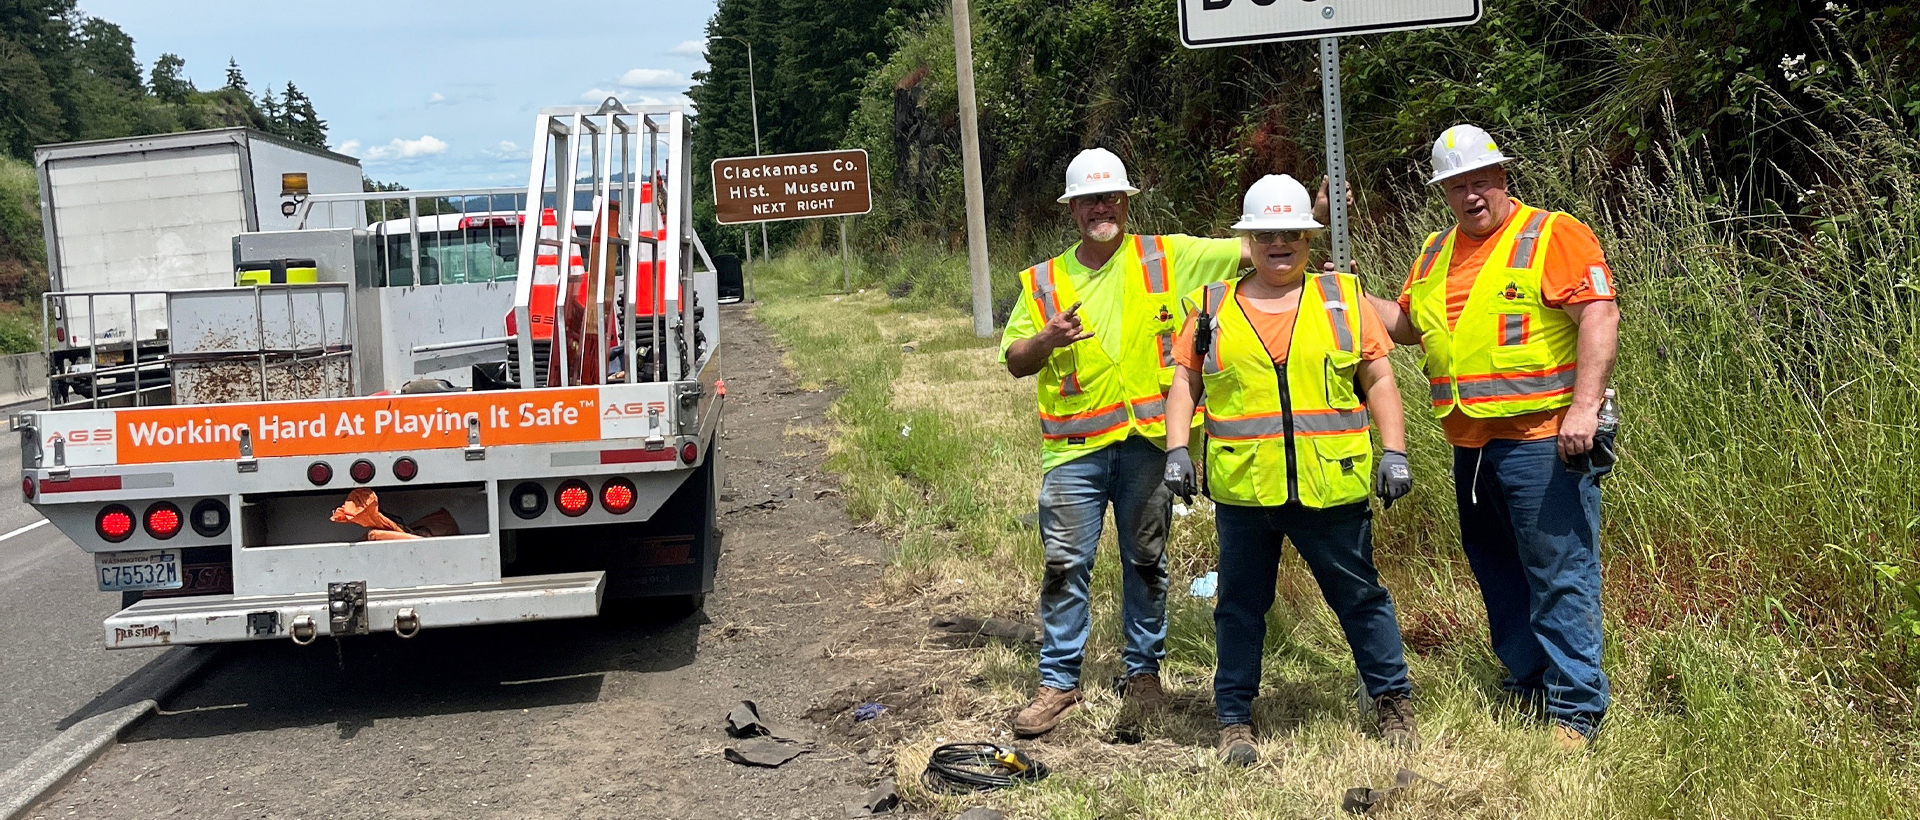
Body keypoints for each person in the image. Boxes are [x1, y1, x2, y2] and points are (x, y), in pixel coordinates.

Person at [1001, 148, 1315, 738]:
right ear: (1072, 210)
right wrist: (1047, 336)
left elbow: (1253, 248)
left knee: (1146, 562)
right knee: (1065, 565)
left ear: (1126, 202)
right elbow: (1016, 361)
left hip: (1148, 444)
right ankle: (1058, 680)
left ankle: (1143, 675)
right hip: (1074, 450)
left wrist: (1313, 213)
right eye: (1091, 199)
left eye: (1112, 197)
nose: (1103, 208)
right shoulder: (1043, 281)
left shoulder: (1167, 256)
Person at [1363, 124, 1620, 751]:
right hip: (1470, 444)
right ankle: (1527, 680)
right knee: (1497, 569)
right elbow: (1404, 326)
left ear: (1503, 178)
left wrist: (1584, 409)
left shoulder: (1550, 234)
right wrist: (1344, 296)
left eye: (1481, 181)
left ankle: (1576, 709)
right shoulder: (1433, 251)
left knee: (1559, 571)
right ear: (1444, 193)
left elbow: (1600, 314)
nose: (1471, 195)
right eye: (1457, 186)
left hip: (1544, 440)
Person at [1161, 174, 1417, 766]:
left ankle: (1392, 702)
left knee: (1360, 596)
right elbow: (1185, 382)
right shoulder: (1211, 307)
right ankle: (1234, 719)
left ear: (1309, 237)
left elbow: (1379, 378)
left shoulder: (1342, 299)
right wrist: (1178, 449)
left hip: (1332, 486)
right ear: (1248, 241)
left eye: (1294, 234)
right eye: (1268, 234)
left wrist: (1395, 451)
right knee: (1240, 605)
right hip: (1246, 489)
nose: (1282, 244)